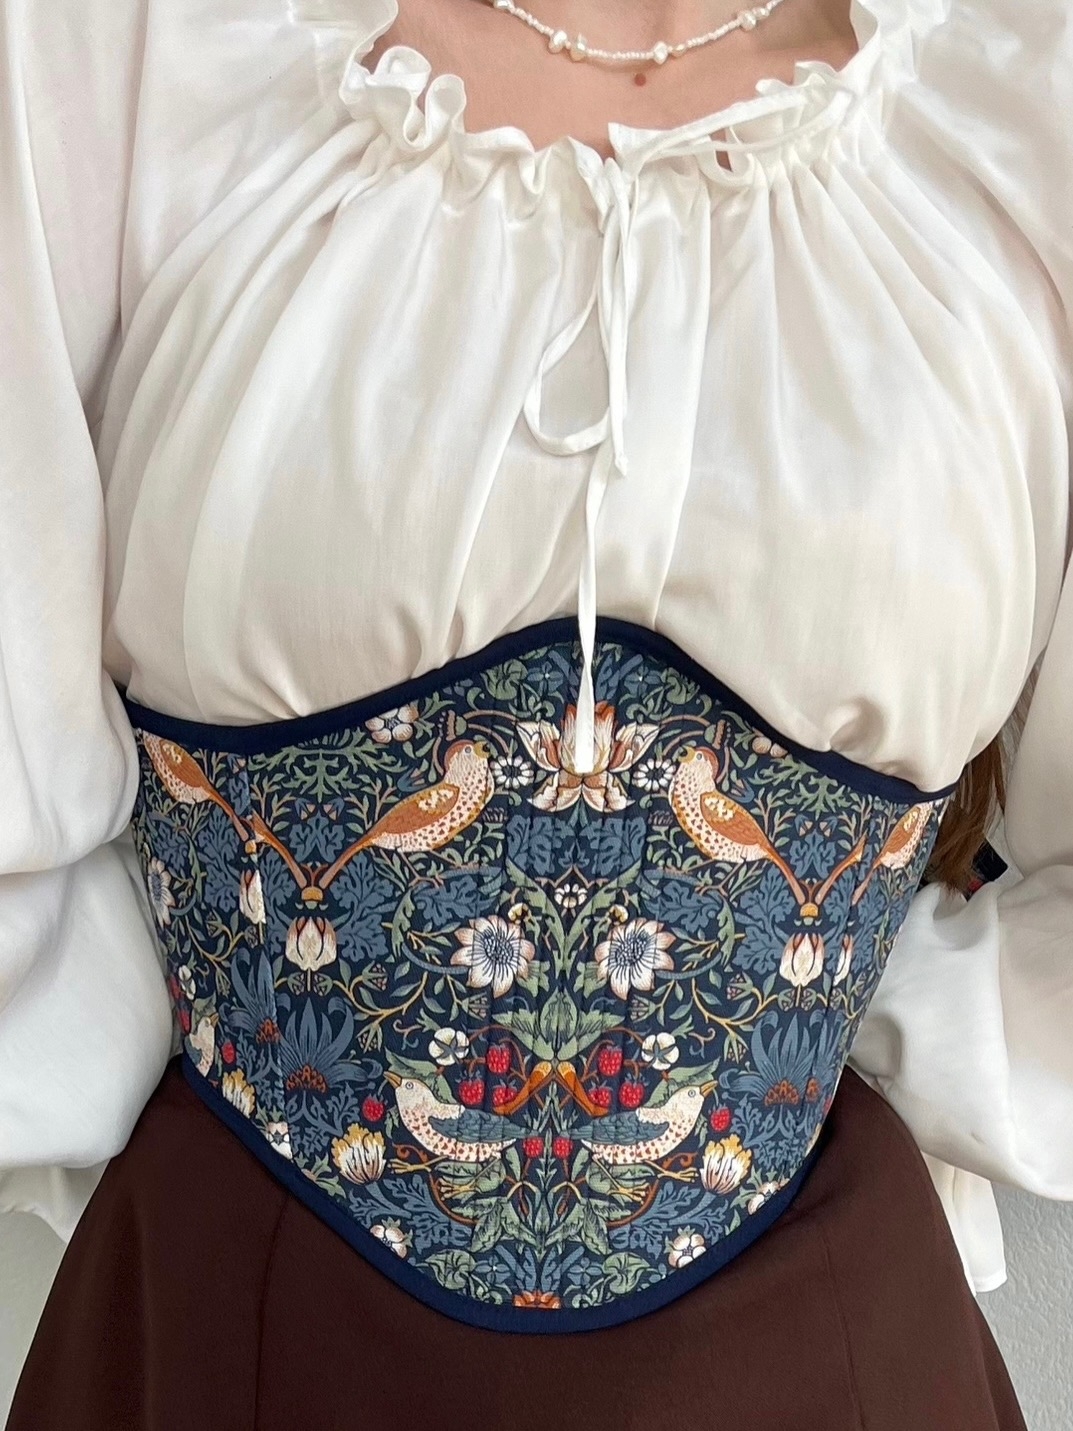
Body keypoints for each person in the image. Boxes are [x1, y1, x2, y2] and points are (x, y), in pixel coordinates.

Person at [1, 0, 1071, 1423]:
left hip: (822, 1350)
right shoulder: (130, 43)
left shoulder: (1023, 102)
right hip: (237, 1319)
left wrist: (829, 1023)